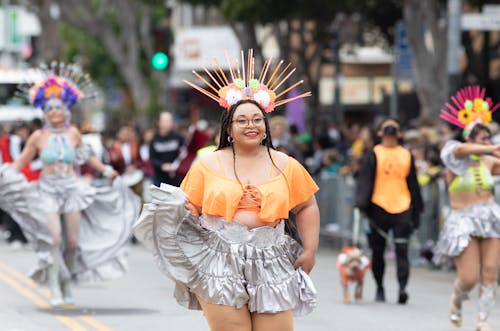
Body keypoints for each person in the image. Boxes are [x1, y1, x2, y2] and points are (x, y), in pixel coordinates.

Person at [134, 50, 319, 331]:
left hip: (272, 259)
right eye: (242, 120)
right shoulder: (208, 163)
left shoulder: (285, 164)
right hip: (220, 261)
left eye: (257, 120)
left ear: (266, 127)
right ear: (229, 128)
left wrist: (310, 250)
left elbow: (307, 205)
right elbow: (188, 207)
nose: (251, 125)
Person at [0, 64, 140, 307]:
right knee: (54, 238)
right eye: (50, 108)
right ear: (44, 110)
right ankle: (55, 283)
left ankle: (67, 282)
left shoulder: (74, 134)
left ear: (66, 109)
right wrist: (6, 173)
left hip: (72, 189)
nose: (55, 111)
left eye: (59, 107)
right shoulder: (38, 137)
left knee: (73, 243)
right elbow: (21, 162)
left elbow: (87, 158)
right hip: (47, 191)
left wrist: (106, 170)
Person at [433, 86, 500, 331]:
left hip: (490, 217)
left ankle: (483, 319)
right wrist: (487, 149)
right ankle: (458, 299)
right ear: (469, 138)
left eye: (488, 137)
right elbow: (460, 150)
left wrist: (491, 152)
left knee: (491, 270)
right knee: (470, 278)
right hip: (463, 220)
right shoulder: (454, 155)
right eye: (481, 137)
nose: (487, 141)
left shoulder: (491, 160)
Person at [355, 118, 423, 304]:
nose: (391, 131)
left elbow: (413, 183)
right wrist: (362, 204)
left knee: (402, 249)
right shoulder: (374, 154)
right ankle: (379, 286)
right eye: (386, 128)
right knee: (378, 252)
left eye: (394, 128)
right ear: (380, 133)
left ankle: (402, 288)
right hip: (379, 207)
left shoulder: (406, 154)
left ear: (399, 133)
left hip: (403, 205)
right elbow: (365, 180)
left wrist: (417, 209)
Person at [149, 111, 184, 187]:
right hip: (160, 178)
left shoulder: (178, 138)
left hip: (176, 177)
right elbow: (152, 158)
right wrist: (162, 165)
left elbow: (185, 152)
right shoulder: (154, 140)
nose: (168, 123)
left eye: (170, 120)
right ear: (159, 122)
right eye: (165, 121)